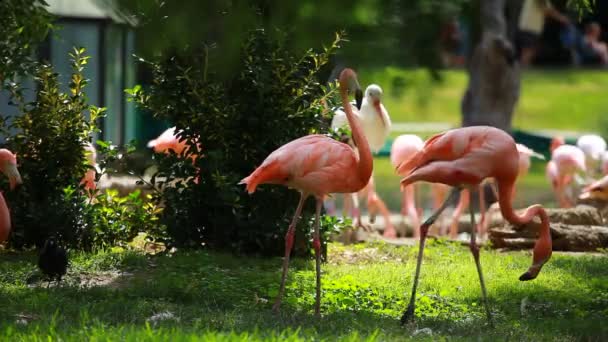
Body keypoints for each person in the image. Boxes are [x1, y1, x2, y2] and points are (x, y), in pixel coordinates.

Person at [517, 0, 570, 66]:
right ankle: (522, 70)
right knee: (527, 52)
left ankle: (524, 70)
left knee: (529, 52)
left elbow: (546, 10)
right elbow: (548, 10)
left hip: (528, 28)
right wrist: (562, 18)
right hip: (530, 28)